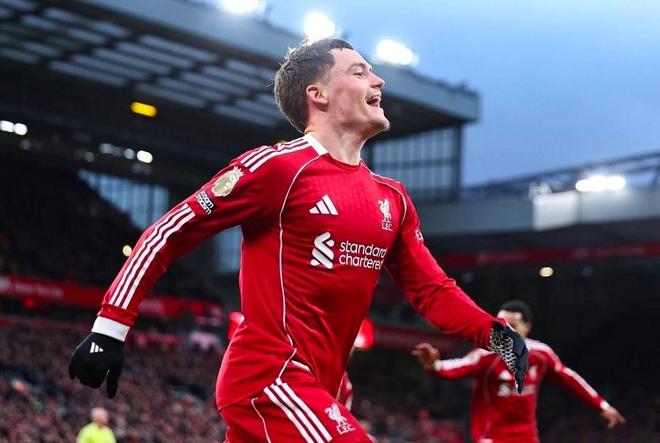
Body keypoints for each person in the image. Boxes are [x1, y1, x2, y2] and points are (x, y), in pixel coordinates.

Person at [68, 38, 528, 442]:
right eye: (360, 72)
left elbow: (431, 289)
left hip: (323, 387)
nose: (379, 80)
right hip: (270, 378)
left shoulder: (393, 199)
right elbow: (170, 232)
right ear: (318, 94)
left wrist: (495, 335)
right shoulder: (278, 168)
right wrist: (110, 328)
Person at [413, 300, 625, 443]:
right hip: (491, 437)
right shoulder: (486, 355)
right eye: (501, 324)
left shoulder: (541, 354)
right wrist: (434, 365)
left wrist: (602, 405)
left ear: (528, 326)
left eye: (512, 324)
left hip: (526, 437)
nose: (506, 330)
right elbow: (456, 367)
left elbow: (569, 379)